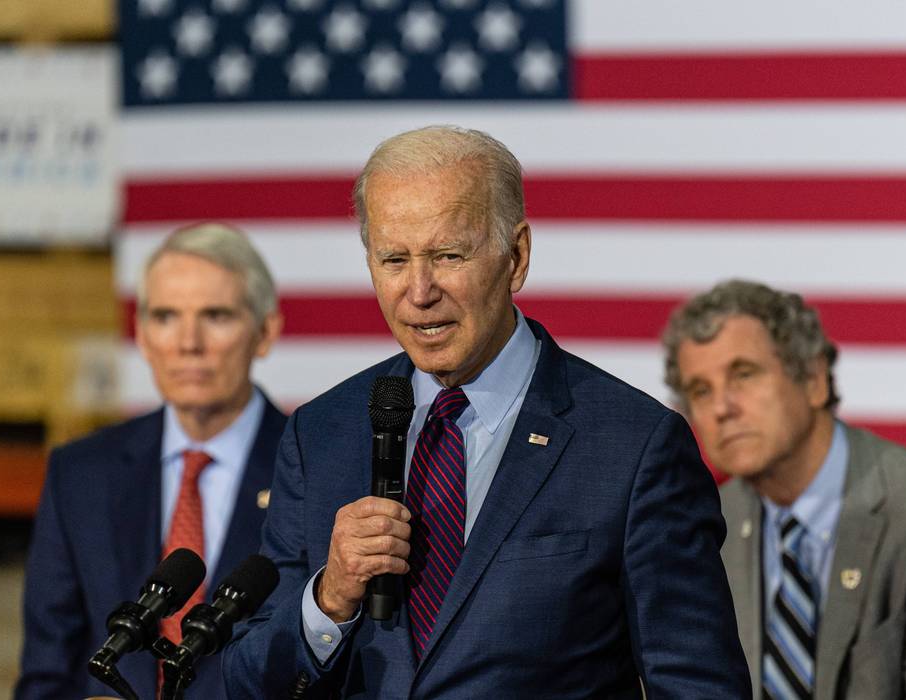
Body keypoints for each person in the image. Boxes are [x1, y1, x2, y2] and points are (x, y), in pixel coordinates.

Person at [223, 125, 749, 698]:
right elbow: (251, 682)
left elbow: (699, 686)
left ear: (516, 257)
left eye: (448, 255)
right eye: (394, 259)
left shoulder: (634, 445)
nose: (419, 292)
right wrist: (329, 600)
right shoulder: (322, 433)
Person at [663, 279, 906, 699]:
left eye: (744, 374)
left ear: (814, 379)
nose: (722, 408)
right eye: (701, 391)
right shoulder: (703, 530)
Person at [16, 223, 287, 700]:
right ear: (141, 336)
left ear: (265, 332)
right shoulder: (80, 475)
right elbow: (47, 673)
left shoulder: (314, 467)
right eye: (165, 316)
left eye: (216, 315)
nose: (188, 342)